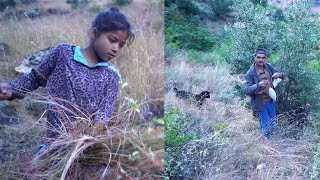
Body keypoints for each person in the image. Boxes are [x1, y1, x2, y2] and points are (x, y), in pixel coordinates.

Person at [0, 7, 135, 145]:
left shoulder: (110, 76)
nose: (116, 49)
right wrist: (10, 88)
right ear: (94, 33)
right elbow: (34, 78)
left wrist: (89, 136)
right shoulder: (63, 54)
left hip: (85, 146)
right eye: (112, 40)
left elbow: (103, 114)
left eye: (121, 45)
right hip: (55, 144)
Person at [244, 48, 288, 138]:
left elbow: (284, 77)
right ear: (254, 58)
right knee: (266, 126)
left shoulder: (268, 66)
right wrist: (258, 85)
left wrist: (279, 75)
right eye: (258, 57)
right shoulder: (250, 73)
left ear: (265, 58)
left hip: (271, 100)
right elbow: (246, 90)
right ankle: (265, 146)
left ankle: (267, 143)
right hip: (260, 103)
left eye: (263, 58)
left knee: (272, 124)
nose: (261, 60)